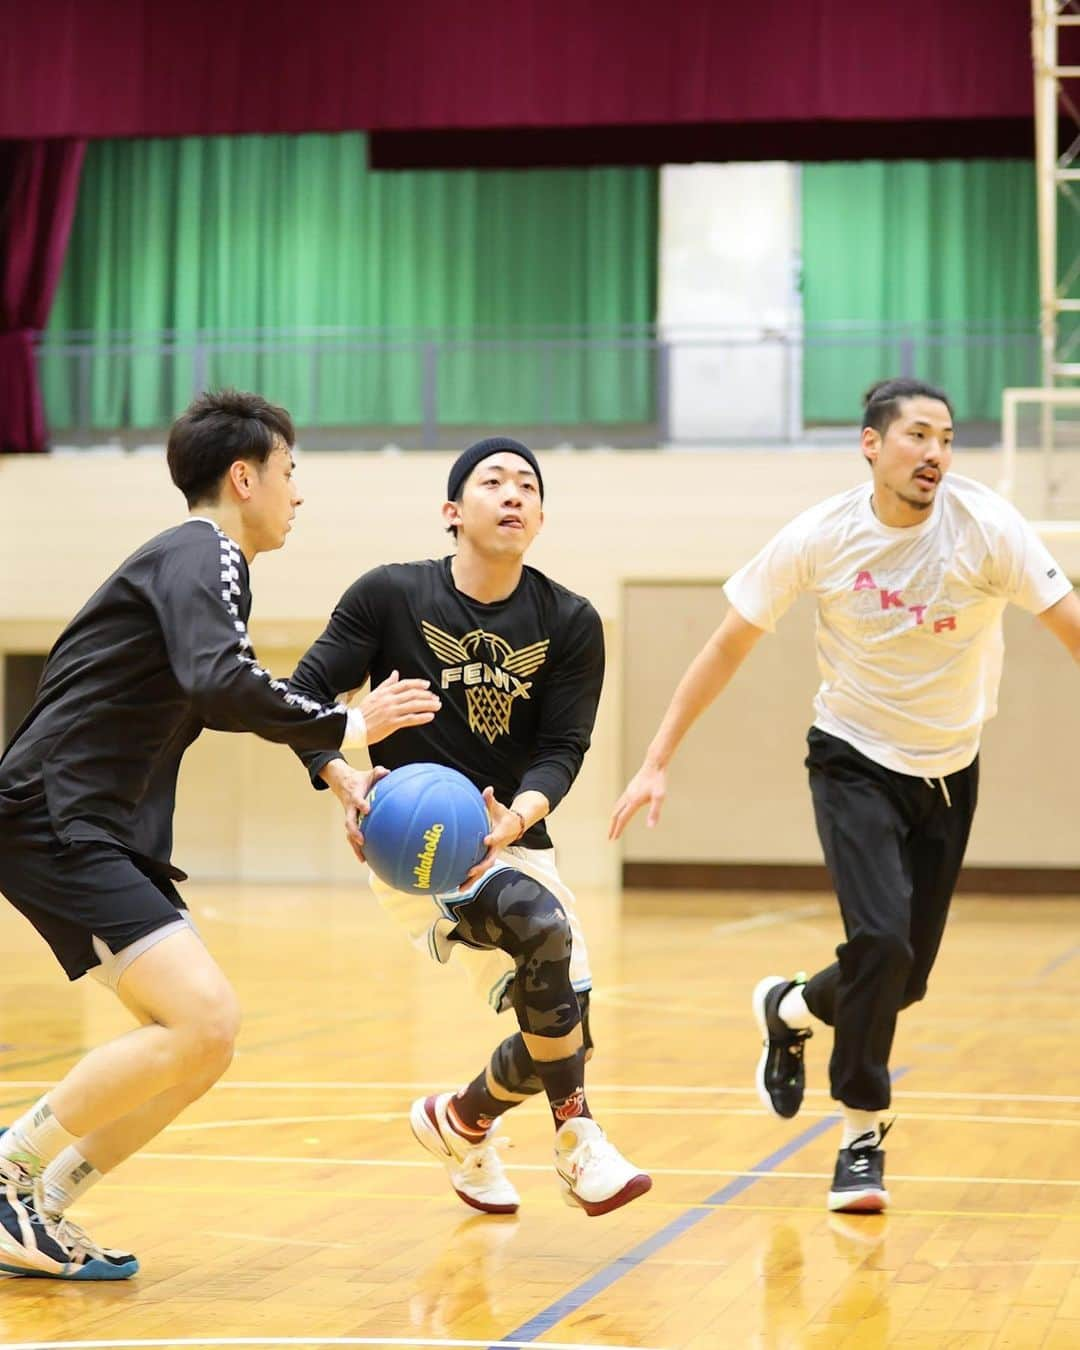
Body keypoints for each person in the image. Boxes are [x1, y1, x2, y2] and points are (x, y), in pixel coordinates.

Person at [610, 378, 1080, 1214]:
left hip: (951, 767)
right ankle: (861, 1134)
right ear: (872, 445)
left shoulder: (988, 527)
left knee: (899, 976)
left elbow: (1069, 622)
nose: (935, 452)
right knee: (880, 941)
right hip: (854, 760)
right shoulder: (821, 537)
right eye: (918, 436)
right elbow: (725, 646)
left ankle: (789, 1007)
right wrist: (656, 756)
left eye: (946, 438)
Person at [0, 389, 436, 1280]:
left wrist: (338, 768)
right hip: (55, 815)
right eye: (289, 473)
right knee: (203, 1020)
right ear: (245, 476)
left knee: (206, 1043)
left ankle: (38, 1201)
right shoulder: (207, 552)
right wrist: (350, 723)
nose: (297, 494)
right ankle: (9, 1174)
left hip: (90, 824)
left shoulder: (194, 564)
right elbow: (222, 678)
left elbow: (215, 689)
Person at [289, 436, 651, 1217]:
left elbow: (562, 748)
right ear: (454, 512)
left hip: (508, 838)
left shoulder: (570, 620)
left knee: (562, 1032)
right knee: (543, 930)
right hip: (413, 848)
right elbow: (298, 698)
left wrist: (518, 815)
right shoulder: (389, 596)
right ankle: (578, 1136)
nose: (513, 493)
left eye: (528, 485)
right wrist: (343, 774)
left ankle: (462, 1121)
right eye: (494, 481)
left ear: (542, 516)